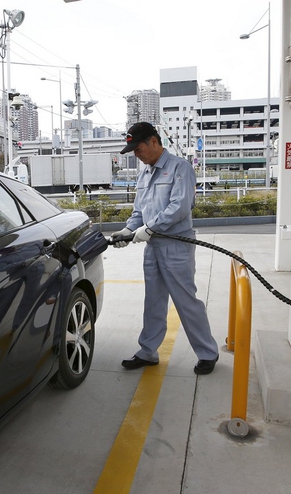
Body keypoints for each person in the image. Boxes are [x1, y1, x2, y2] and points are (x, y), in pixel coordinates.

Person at [111, 122, 219, 375]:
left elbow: (180, 207)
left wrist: (150, 228)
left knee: (185, 302)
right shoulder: (145, 174)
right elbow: (140, 211)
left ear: (154, 142)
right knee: (154, 302)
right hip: (153, 248)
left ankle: (208, 352)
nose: (137, 156)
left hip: (176, 247)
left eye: (138, 149)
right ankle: (148, 352)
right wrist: (129, 230)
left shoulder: (179, 168)